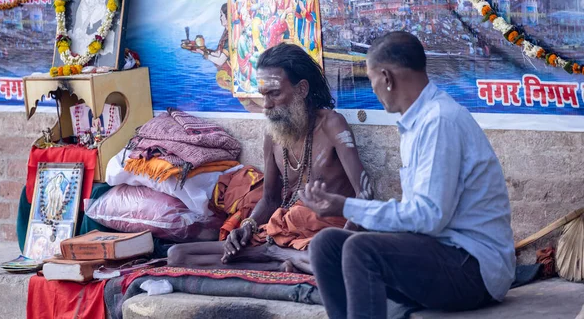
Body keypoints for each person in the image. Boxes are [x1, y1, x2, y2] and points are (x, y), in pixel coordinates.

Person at [300, 31, 515, 318]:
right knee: (326, 245)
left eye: (371, 79)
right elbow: (418, 218)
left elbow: (428, 218)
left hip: (474, 269)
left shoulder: (439, 121)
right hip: (440, 253)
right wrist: (364, 218)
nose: (373, 88)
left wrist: (346, 206)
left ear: (386, 78)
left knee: (360, 250)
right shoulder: (416, 122)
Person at [168, 43, 372, 272]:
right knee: (177, 255)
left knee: (326, 261)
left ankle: (276, 257)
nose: (266, 105)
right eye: (263, 95)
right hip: (282, 231)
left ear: (302, 89)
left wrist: (343, 240)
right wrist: (248, 226)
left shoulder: (332, 124)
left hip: (326, 232)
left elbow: (365, 193)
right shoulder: (272, 134)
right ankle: (277, 260)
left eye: (274, 93)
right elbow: (270, 199)